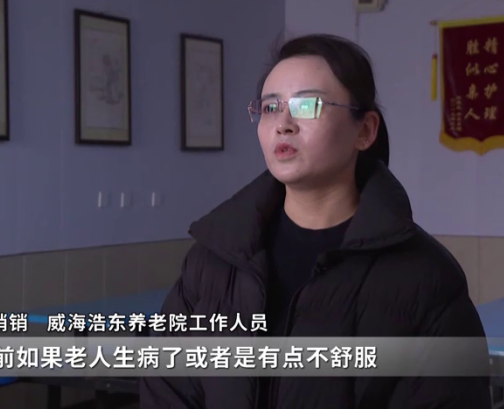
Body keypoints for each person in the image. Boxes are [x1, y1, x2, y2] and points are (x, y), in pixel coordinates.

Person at [140, 34, 490, 408]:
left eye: (307, 105)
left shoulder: (426, 277)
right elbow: (167, 389)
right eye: (270, 107)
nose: (283, 124)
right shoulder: (213, 259)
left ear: (365, 131)